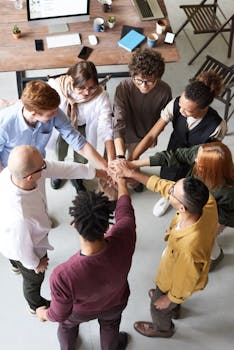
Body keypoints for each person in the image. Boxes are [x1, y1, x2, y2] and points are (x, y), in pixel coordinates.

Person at [109, 160, 218, 338]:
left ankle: (163, 328)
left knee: (157, 306)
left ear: (181, 208)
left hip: (175, 280)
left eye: (172, 192)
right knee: (170, 298)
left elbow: (186, 282)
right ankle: (175, 308)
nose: (169, 190)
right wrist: (132, 174)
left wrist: (168, 298)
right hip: (178, 266)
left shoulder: (189, 248)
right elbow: (163, 186)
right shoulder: (206, 201)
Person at [0, 145, 105, 314]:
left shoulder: (12, 173)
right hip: (22, 247)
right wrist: (35, 263)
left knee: (17, 260)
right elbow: (20, 247)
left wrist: (99, 173)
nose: (46, 166)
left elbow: (61, 168)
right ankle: (35, 305)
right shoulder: (20, 217)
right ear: (29, 177)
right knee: (33, 279)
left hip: (10, 235)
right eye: (42, 166)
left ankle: (15, 266)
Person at [36, 177, 136, 350]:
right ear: (107, 227)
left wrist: (44, 314)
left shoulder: (62, 275)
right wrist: (121, 183)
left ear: (74, 225)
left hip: (79, 313)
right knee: (111, 325)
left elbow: (59, 314)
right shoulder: (125, 235)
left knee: (67, 326)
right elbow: (125, 211)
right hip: (116, 302)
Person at [126, 141, 234, 270]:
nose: (194, 158)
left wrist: (205, 234)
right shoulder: (202, 153)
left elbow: (223, 219)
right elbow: (174, 157)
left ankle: (215, 256)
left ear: (207, 169)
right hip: (194, 209)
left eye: (198, 160)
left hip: (211, 219)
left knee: (206, 241)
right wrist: (132, 166)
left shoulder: (228, 192)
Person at [131, 70, 227, 215]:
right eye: (180, 105)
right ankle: (167, 196)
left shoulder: (217, 126)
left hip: (195, 160)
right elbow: (151, 135)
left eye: (187, 110)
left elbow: (209, 154)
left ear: (204, 108)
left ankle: (179, 200)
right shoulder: (175, 104)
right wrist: (132, 159)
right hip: (174, 147)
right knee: (168, 173)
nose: (181, 111)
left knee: (187, 185)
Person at [0, 80, 106, 173]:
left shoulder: (52, 110)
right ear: (33, 114)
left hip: (39, 166)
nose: (56, 114)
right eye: (51, 113)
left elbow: (77, 142)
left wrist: (106, 167)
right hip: (10, 171)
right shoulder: (4, 123)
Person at [48, 61, 115, 191]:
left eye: (91, 87)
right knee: (58, 152)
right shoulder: (57, 87)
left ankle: (77, 176)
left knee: (82, 157)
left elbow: (106, 126)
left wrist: (110, 161)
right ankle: (57, 174)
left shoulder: (101, 96)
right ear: (71, 80)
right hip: (61, 126)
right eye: (81, 88)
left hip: (82, 126)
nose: (87, 93)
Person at [112, 48, 172, 192]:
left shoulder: (165, 91)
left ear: (158, 77)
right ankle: (111, 191)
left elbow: (161, 120)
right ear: (132, 75)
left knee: (133, 164)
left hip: (143, 136)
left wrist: (154, 136)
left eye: (150, 81)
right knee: (114, 166)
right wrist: (120, 156)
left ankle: (134, 182)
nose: (144, 85)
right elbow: (118, 122)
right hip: (120, 136)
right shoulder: (123, 88)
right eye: (139, 80)